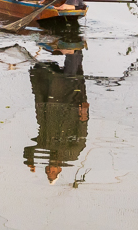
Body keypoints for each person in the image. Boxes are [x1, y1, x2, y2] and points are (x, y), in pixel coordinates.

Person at [23, 44, 90, 184]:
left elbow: (28, 149)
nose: (50, 169)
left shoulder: (45, 145)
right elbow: (81, 139)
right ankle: (75, 48)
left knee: (67, 78)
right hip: (70, 110)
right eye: (52, 172)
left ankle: (72, 47)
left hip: (52, 104)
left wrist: (29, 161)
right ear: (59, 169)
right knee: (73, 79)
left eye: (48, 171)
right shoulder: (71, 156)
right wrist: (84, 116)